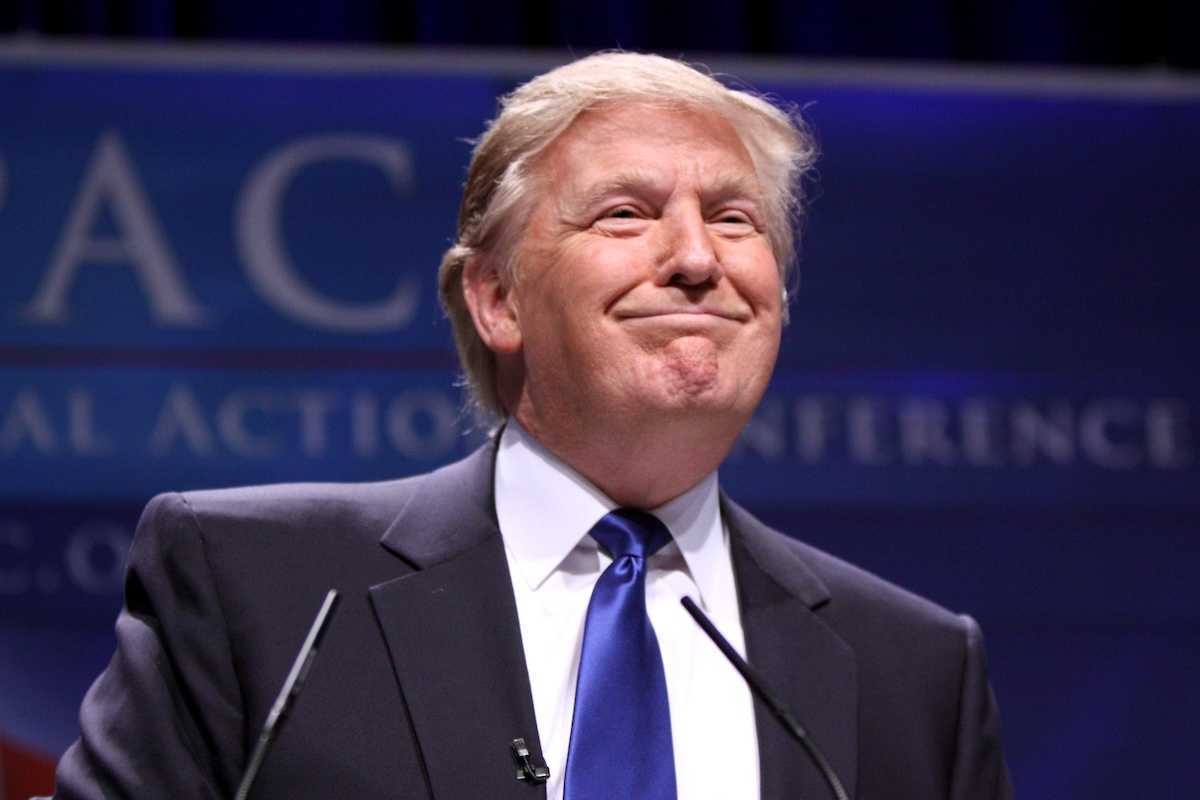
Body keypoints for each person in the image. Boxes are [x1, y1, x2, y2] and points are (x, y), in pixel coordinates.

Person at [49, 52, 1012, 799]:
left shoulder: (912, 669)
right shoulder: (261, 593)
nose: (694, 258)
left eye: (734, 219)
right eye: (626, 214)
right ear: (498, 299)